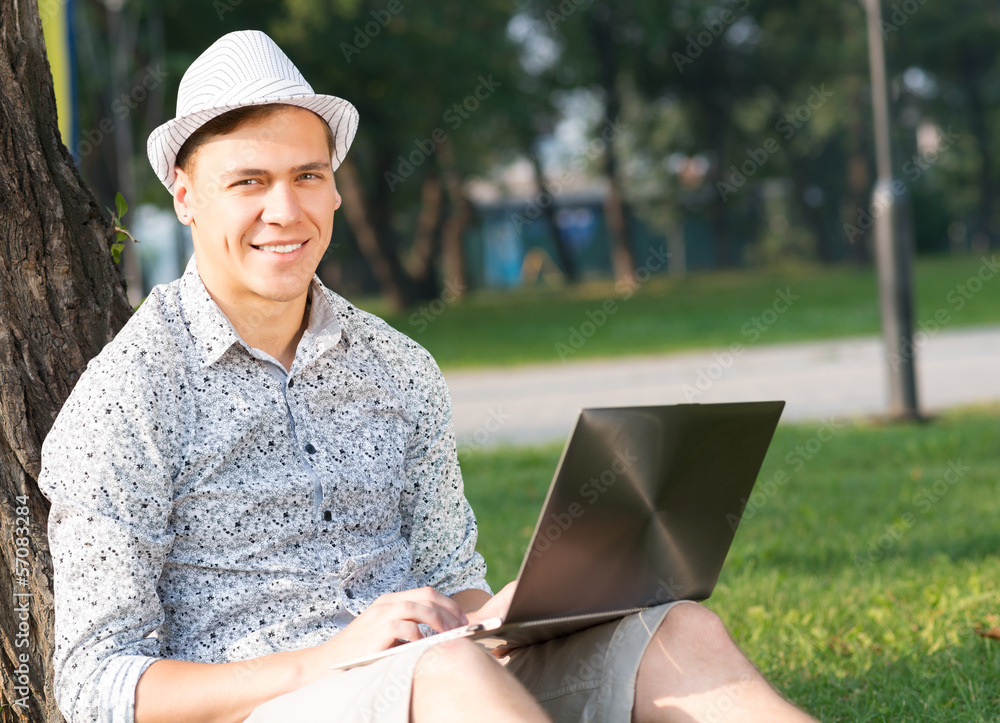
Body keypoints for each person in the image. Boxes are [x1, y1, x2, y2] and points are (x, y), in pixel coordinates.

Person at [38, 30, 817, 723]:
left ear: (337, 189)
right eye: (249, 182)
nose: (286, 209)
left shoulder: (399, 369)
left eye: (309, 176)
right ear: (185, 195)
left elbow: (453, 580)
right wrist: (340, 655)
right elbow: (96, 686)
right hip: (279, 701)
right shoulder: (129, 395)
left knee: (677, 632)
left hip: (438, 678)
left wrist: (508, 617)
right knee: (444, 672)